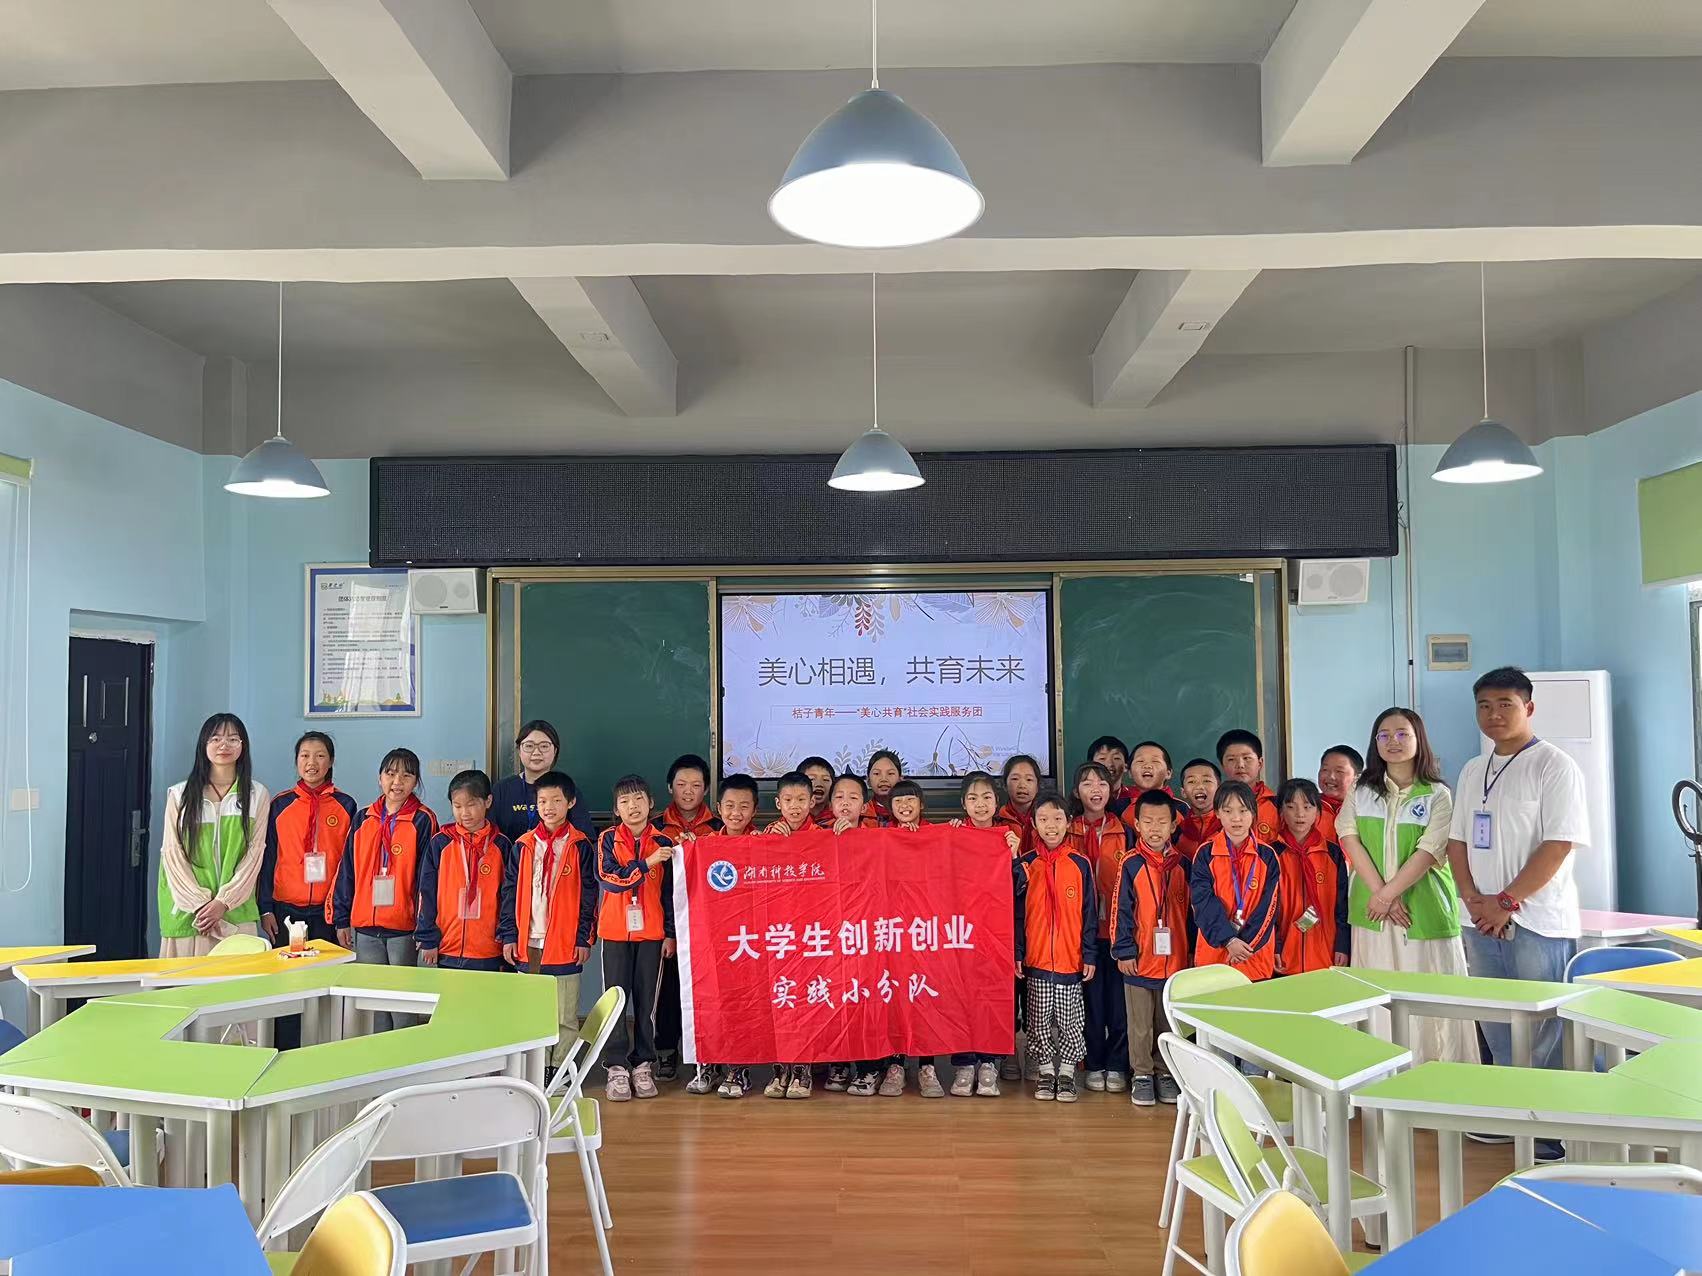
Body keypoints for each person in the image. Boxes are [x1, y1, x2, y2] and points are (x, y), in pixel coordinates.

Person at [1446, 668, 1590, 1080]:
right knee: (1496, 1023)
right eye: (1484, 706)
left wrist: (1505, 902)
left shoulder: (1554, 766)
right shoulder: (1474, 769)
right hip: (1480, 922)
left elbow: (1558, 845)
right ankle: (1508, 1106)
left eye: (1505, 704)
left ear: (1529, 708)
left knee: (1544, 1029)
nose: (1493, 714)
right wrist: (1473, 900)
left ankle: (1548, 1116)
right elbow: (1457, 842)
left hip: (1536, 921)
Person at [1337, 707, 1474, 1065]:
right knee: (1378, 997)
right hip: (1373, 914)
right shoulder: (1360, 791)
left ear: (1418, 740)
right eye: (1384, 735)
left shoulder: (1437, 794)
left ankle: (1437, 1078)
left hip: (1423, 912)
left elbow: (1429, 851)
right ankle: (1383, 1076)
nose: (1393, 741)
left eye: (1402, 734)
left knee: (1430, 1000)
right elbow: (1349, 838)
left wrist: (1387, 894)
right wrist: (1382, 895)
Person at [332, 748, 436, 1031]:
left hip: (403, 927)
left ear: (416, 782)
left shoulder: (422, 820)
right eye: (390, 774)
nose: (397, 782)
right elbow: (347, 870)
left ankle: (405, 1055)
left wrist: (424, 926)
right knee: (374, 1004)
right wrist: (342, 918)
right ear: (380, 778)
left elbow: (427, 881)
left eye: (406, 775)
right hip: (365, 926)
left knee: (403, 1005)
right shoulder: (363, 818)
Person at [157, 713, 270, 957]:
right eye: (215, 738)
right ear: (203, 745)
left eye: (232, 739)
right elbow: (172, 855)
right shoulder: (180, 795)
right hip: (188, 913)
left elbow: (254, 855)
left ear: (243, 745)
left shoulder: (257, 795)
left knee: (237, 980)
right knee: (186, 981)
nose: (223, 745)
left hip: (236, 912)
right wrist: (200, 904)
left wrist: (224, 901)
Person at [596, 774, 677, 1102]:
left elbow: (670, 894)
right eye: (625, 801)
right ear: (616, 809)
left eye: (639, 799)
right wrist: (645, 864)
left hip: (652, 934)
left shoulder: (665, 841)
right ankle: (616, 1066)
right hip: (615, 932)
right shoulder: (606, 839)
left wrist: (670, 934)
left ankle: (643, 1063)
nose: (633, 806)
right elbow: (609, 879)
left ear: (651, 803)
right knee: (616, 1001)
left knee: (647, 1004)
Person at [508, 770, 596, 1070]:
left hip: (565, 941)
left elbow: (589, 896)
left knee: (564, 1015)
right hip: (528, 941)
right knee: (531, 1012)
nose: (548, 807)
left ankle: (559, 1070)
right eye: (543, 801)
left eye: (556, 800)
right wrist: (509, 935)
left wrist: (584, 938)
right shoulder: (523, 845)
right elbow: (509, 892)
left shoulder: (580, 845)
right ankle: (535, 1070)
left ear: (570, 803)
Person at [1014, 791, 1096, 1102]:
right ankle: (1046, 1071)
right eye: (1044, 819)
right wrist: (1018, 952)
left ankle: (1067, 1073)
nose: (1051, 825)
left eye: (1058, 819)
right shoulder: (1026, 864)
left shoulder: (1080, 863)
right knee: (1037, 1021)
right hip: (1035, 960)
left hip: (1069, 960)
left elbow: (1089, 913)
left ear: (1068, 822)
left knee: (1070, 1021)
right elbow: (1016, 914)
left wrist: (1089, 954)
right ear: (1034, 824)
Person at [686, 773, 763, 1099]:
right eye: (729, 805)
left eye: (744, 806)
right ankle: (708, 1065)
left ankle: (737, 1069)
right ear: (718, 808)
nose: (736, 813)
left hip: (749, 941)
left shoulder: (764, 844)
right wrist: (686, 852)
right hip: (711, 940)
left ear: (755, 810)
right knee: (708, 1000)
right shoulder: (702, 845)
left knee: (742, 1003)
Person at [1112, 790, 1190, 1107]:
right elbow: (1120, 909)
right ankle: (1142, 1074)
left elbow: (1192, 915)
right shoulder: (1130, 864)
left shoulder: (1183, 865)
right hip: (1140, 958)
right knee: (1140, 1024)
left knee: (1166, 1023)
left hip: (1176, 961)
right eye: (1148, 822)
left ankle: (1165, 1072)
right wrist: (1124, 950)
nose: (1154, 828)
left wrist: (1192, 955)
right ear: (1137, 826)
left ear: (1173, 825)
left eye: (1161, 822)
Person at [945, 770, 1020, 1097]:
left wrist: (1013, 856)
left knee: (993, 995)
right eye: (973, 798)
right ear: (964, 803)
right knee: (960, 995)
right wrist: (948, 839)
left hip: (996, 931)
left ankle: (989, 1062)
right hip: (960, 931)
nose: (980, 804)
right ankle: (964, 1064)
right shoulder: (953, 835)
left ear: (997, 802)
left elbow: (1020, 887)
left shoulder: (1008, 837)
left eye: (987, 797)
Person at [652, 754, 720, 1081]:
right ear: (670, 787)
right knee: (668, 991)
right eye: (681, 784)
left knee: (709, 991)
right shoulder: (654, 828)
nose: (688, 791)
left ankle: (707, 1055)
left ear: (706, 789)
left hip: (709, 925)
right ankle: (666, 1052)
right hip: (666, 921)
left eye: (695, 785)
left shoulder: (720, 828)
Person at [259, 732, 356, 953]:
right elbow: (268, 859)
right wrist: (265, 909)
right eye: (305, 756)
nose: (312, 762)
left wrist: (343, 914)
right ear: (297, 761)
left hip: (328, 911)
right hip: (285, 909)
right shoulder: (280, 805)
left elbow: (350, 865)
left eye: (320, 756)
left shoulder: (346, 805)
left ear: (331, 762)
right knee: (288, 970)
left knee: (327, 970)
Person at [415, 769, 515, 973]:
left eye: (471, 805)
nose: (464, 813)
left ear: (488, 801)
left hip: (489, 951)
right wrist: (428, 938)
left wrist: (508, 936)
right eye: (457, 806)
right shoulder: (440, 843)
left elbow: (509, 897)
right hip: (447, 948)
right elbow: (426, 893)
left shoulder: (502, 845)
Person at [1070, 761, 1131, 1094]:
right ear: (1076, 791)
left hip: (1118, 931)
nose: (1095, 789)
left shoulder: (1126, 831)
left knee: (1119, 1005)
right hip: (1082, 933)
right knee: (1091, 1005)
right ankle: (1093, 1063)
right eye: (1087, 783)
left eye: (1102, 783)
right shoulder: (1066, 828)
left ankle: (1118, 1064)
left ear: (1111, 790)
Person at [1189, 781, 1281, 982]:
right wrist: (1229, 940)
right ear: (1217, 813)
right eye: (1228, 810)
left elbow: (1269, 907)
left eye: (1243, 810)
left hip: (1253, 955)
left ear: (1253, 812)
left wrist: (1245, 946)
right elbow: (1202, 902)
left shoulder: (1267, 855)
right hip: (1214, 954)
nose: (1236, 818)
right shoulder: (1205, 853)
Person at [1272, 779, 1349, 976]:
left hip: (1327, 952)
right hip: (1284, 955)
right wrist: (1274, 947)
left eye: (1307, 807)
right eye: (1291, 807)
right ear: (1281, 812)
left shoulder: (1332, 853)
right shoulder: (1272, 854)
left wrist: (1342, 945)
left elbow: (1343, 905)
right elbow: (1267, 909)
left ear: (1317, 812)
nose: (1300, 814)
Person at [492, 719, 597, 846]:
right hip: (510, 858)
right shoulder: (502, 789)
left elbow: (585, 840)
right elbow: (490, 837)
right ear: (519, 751)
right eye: (529, 746)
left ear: (555, 751)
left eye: (544, 746)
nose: (536, 752)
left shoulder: (567, 788)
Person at [1217, 729, 1279, 843]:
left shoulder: (1277, 805)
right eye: (1231, 759)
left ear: (1260, 763)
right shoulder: (1215, 804)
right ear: (1222, 766)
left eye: (1247, 758)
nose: (1240, 765)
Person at [1316, 744, 1363, 844]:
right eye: (1325, 770)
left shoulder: (1365, 810)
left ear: (1357, 777)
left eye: (1339, 771)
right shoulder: (1308, 806)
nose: (1331, 776)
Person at [1176, 759, 1221, 862]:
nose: (1200, 786)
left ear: (1219, 789)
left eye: (1207, 781)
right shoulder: (1177, 830)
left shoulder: (1230, 826)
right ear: (1183, 792)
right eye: (1191, 781)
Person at [999, 754, 1043, 854]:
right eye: (1015, 779)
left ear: (1038, 786)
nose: (1022, 785)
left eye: (1029, 779)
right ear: (1005, 785)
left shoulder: (1047, 818)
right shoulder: (996, 820)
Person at [764, 771, 816, 839]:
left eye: (801, 799)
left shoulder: (819, 833)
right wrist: (770, 838)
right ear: (778, 803)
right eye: (788, 799)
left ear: (811, 802)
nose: (794, 806)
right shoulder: (772, 829)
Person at [1087, 735, 1132, 813]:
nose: (1109, 764)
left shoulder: (1135, 798)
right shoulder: (1083, 798)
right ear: (1090, 765)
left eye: (1116, 758)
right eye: (1102, 758)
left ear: (1126, 766)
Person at [865, 749, 904, 824]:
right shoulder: (859, 812)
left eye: (890, 773)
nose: (883, 779)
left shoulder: (909, 811)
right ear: (868, 780)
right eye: (877, 773)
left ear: (900, 779)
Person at [798, 755, 835, 827]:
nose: (819, 784)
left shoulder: (840, 816)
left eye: (825, 780)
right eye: (811, 779)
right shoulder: (790, 819)